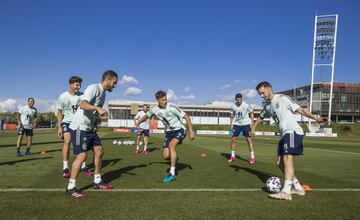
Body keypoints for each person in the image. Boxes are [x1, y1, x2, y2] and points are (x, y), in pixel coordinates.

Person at [252, 81, 327, 201]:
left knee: (287, 158)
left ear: (269, 88)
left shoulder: (282, 98)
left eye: (262, 92)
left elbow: (301, 110)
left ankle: (286, 191)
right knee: (280, 163)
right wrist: (253, 127)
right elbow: (260, 117)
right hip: (283, 134)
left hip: (292, 131)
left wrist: (316, 118)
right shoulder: (267, 105)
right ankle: (298, 187)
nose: (262, 95)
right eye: (260, 94)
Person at [66, 70, 118, 198]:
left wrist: (95, 123)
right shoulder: (93, 88)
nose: (115, 85)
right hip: (79, 128)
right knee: (81, 157)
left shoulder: (103, 94)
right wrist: (97, 108)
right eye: (114, 82)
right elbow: (83, 104)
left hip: (89, 128)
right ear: (108, 80)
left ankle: (97, 181)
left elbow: (93, 113)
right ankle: (71, 187)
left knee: (99, 151)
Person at [135, 90, 195, 183]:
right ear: (157, 100)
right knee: (166, 156)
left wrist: (191, 131)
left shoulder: (172, 107)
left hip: (180, 129)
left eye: (165, 99)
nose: (165, 101)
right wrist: (138, 122)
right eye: (162, 100)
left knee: (171, 145)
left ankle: (172, 173)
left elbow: (186, 116)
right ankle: (175, 159)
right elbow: (147, 116)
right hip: (169, 132)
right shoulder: (155, 109)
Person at [56, 76, 91, 178]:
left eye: (80, 85)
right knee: (67, 140)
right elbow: (59, 112)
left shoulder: (83, 96)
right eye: (77, 85)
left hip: (79, 123)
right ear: (71, 85)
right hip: (67, 122)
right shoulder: (62, 96)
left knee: (80, 143)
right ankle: (65, 167)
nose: (79, 87)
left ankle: (83, 165)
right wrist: (59, 127)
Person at [228, 93, 256, 165]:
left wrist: (252, 122)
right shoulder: (233, 106)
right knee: (233, 139)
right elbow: (231, 115)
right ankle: (233, 156)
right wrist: (231, 124)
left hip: (246, 124)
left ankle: (252, 157)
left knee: (248, 139)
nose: (239, 101)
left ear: (242, 99)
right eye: (237, 99)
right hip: (237, 125)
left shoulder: (246, 105)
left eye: (240, 99)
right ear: (236, 99)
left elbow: (252, 112)